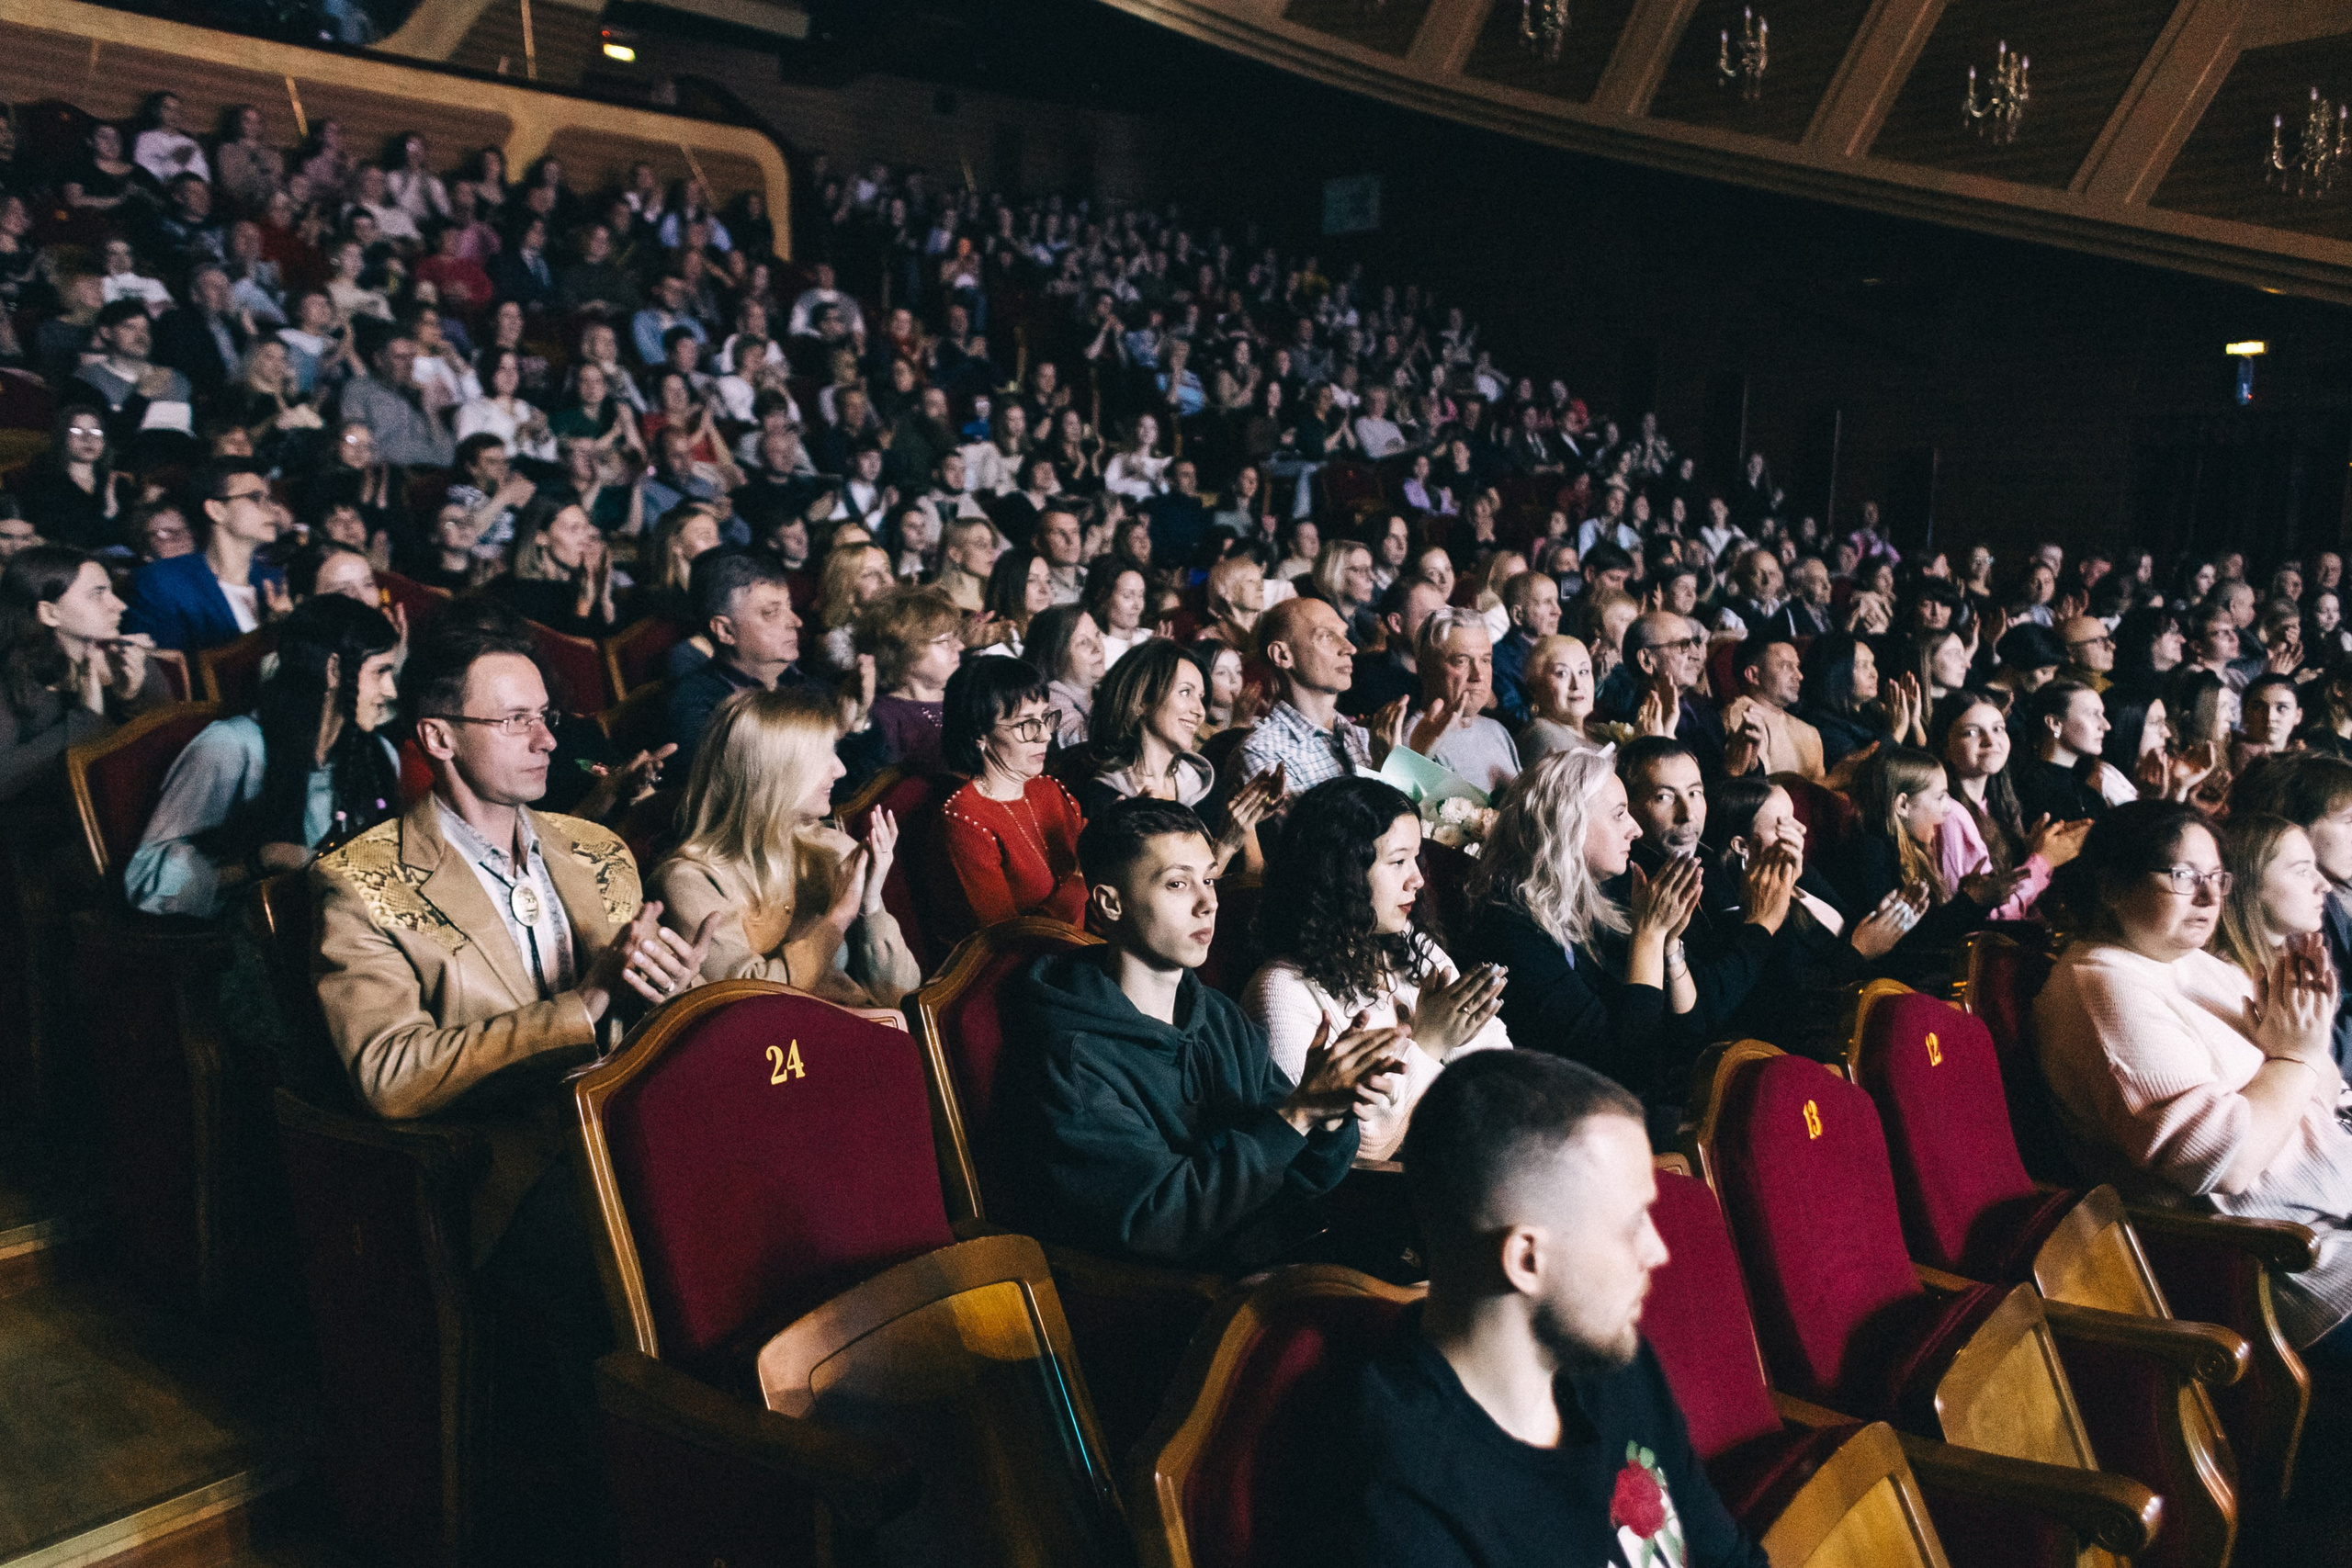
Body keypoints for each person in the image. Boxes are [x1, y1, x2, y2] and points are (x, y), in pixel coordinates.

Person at [1347, 1050, 1767, 1568]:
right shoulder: (1402, 1501)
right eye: (1630, 1224)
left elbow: (1728, 1559)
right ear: (1527, 1259)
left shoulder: (1618, 1363)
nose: (1657, 1251)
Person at [997, 796, 1402, 1267]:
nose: (1208, 902)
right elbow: (1158, 1222)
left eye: (1209, 879)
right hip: (1160, 1297)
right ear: (1110, 904)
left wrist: (1328, 1116)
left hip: (1267, 1255)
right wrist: (1296, 1115)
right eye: (1177, 884)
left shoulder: (1216, 1015)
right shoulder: (1073, 1056)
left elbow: (1295, 1177)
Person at [2034, 800, 2352, 1357]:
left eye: (2216, 878)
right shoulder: (2103, 987)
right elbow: (2224, 1160)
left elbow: (2314, 1090)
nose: (2208, 898)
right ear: (2111, 885)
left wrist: (2303, 1051)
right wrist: (2295, 1059)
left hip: (2327, 1208)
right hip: (2284, 1262)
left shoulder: (2189, 961)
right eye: (2183, 877)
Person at [1244, 776, 1511, 1160]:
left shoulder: (1412, 947)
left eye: (1416, 859)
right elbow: (1355, 1151)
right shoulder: (1281, 989)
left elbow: (1497, 1064)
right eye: (1398, 861)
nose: (1417, 879)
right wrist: (1429, 1044)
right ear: (1342, 873)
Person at [1459, 747, 1704, 1140]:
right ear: (1568, 824)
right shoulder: (1510, 929)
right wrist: (1648, 935)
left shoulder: (1599, 900)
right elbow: (1620, 1065)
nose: (1636, 829)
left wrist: (1669, 946)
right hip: (1560, 1129)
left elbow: (1690, 1038)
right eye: (1619, 813)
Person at [128, 596, 402, 919]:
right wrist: (261, 861)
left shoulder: (378, 755)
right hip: (250, 939)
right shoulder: (232, 747)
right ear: (334, 669)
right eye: (380, 672)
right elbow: (145, 882)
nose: (391, 691)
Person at [656, 686, 917, 1008]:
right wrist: (838, 918)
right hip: (785, 1053)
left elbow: (902, 994)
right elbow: (750, 1001)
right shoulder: (691, 880)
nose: (840, 769)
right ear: (775, 771)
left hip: (864, 1034)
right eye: (824, 755)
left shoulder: (833, 847)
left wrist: (870, 904)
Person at [1071, 639, 1282, 871]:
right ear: (1141, 701)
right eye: (1185, 692)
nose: (1199, 711)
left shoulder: (1203, 782)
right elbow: (1168, 900)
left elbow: (1250, 882)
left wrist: (1248, 824)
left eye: (1201, 697)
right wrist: (1226, 845)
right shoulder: (1106, 797)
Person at [1826, 746, 2026, 984]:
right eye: (1940, 797)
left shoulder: (1902, 847)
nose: (1947, 808)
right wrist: (1971, 902)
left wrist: (1972, 897)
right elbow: (1908, 946)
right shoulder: (1869, 853)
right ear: (1903, 805)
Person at [0, 546, 168, 799]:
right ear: (49, 612)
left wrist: (132, 699)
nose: (120, 606)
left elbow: (175, 748)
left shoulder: (125, 659)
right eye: (97, 594)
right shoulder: (9, 680)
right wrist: (85, 718)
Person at [939, 655, 1089, 931]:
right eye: (1026, 723)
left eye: (1045, 718)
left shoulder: (1050, 790)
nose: (1044, 735)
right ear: (979, 734)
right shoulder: (965, 818)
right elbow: (1007, 940)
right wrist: (1081, 877)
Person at [1931, 691, 2085, 922]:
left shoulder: (1997, 805)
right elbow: (1990, 916)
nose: (1990, 741)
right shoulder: (1950, 814)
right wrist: (2043, 861)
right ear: (1946, 747)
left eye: (1997, 728)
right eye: (1971, 732)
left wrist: (2031, 852)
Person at [123, 459, 291, 653]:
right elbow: (164, 673)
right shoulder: (164, 583)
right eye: (255, 497)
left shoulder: (274, 581)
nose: (272, 509)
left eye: (269, 499)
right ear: (216, 510)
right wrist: (267, 637)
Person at [666, 550, 808, 776]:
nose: (795, 622)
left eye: (790, 607)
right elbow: (730, 792)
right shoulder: (697, 705)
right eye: (771, 612)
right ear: (725, 630)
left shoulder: (801, 681)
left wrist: (858, 725)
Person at [1406, 607, 1521, 795]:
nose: (1478, 675)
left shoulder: (1496, 731)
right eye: (1461, 661)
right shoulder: (1414, 740)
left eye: (1485, 660)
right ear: (1424, 669)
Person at [853, 585, 961, 779]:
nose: (959, 646)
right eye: (945, 641)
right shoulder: (884, 716)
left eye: (956, 638)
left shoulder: (965, 697)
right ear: (905, 653)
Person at [488, 497, 619, 640]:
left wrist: (605, 598)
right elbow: (573, 653)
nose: (585, 539)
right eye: (574, 529)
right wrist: (584, 603)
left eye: (586, 528)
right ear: (541, 537)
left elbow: (609, 649)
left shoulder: (579, 584)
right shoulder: (515, 592)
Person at [1719, 633, 1825, 782]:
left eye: (1797, 666)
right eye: (1786, 666)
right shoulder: (1743, 716)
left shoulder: (1810, 731)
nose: (1799, 676)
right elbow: (1759, 785)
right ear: (1753, 675)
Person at [1025, 603, 1105, 748]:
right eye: (1083, 643)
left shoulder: (1100, 691)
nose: (1097, 647)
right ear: (1055, 656)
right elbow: (1077, 740)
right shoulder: (1051, 700)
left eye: (1097, 635)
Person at [1518, 634, 1596, 762]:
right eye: (1562, 674)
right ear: (1534, 687)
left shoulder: (1598, 731)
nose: (1577, 684)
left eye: (1583, 672)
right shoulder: (1542, 734)